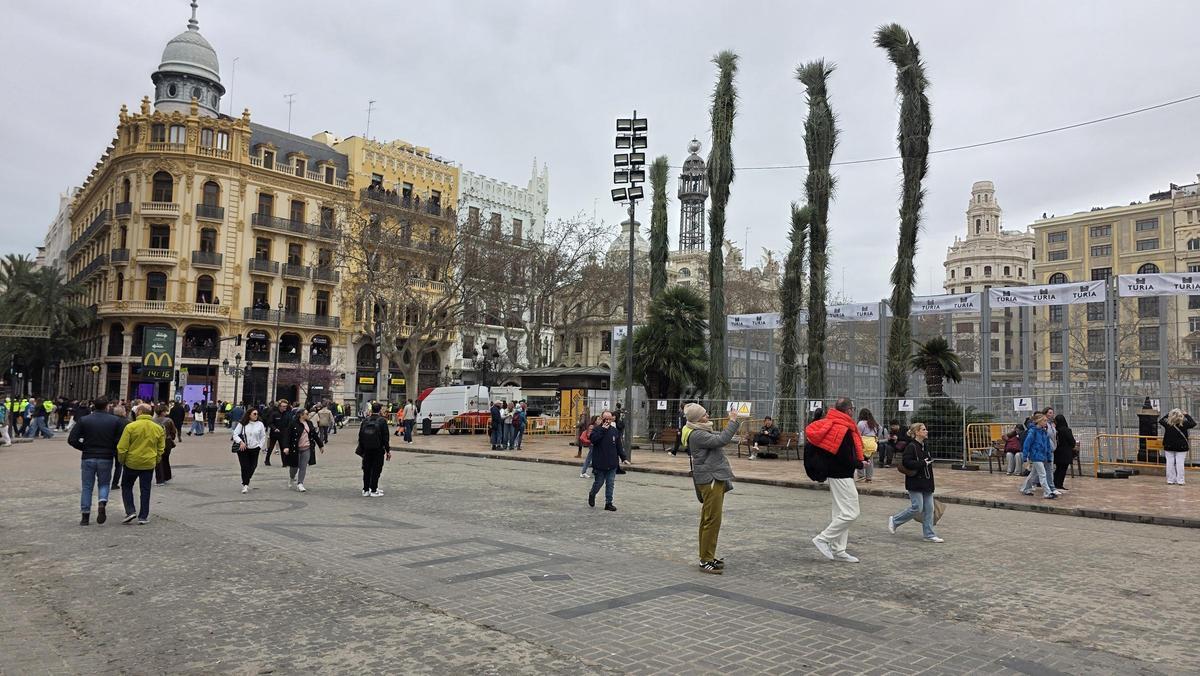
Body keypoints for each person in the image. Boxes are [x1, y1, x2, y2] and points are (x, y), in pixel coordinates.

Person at [682, 402, 746, 574]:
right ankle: (705, 560)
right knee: (712, 519)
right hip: (710, 479)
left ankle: (708, 555)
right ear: (696, 419)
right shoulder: (697, 434)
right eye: (704, 415)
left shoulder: (700, 430)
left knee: (710, 519)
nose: (707, 416)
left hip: (712, 477)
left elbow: (720, 437)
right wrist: (733, 421)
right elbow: (721, 440)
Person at [806, 397, 865, 563]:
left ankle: (839, 549)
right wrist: (860, 463)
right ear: (849, 411)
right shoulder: (843, 428)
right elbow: (844, 456)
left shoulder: (832, 424)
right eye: (852, 408)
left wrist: (858, 460)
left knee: (840, 512)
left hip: (835, 474)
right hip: (842, 475)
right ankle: (823, 538)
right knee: (852, 512)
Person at [68, 398, 127, 526]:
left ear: (93, 406)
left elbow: (72, 439)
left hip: (88, 456)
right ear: (107, 407)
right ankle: (102, 501)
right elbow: (120, 440)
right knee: (104, 483)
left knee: (87, 486)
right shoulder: (115, 421)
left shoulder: (84, 420)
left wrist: (83, 447)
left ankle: (85, 515)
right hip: (106, 456)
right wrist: (112, 449)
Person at [887, 422, 943, 542]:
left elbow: (928, 463)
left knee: (929, 508)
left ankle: (929, 534)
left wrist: (931, 483)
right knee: (917, 507)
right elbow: (907, 462)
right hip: (915, 482)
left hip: (927, 482)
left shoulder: (925, 446)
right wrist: (922, 463)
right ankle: (895, 520)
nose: (926, 431)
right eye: (923, 429)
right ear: (917, 432)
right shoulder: (911, 446)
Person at [116, 404, 165, 525]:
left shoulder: (131, 427)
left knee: (126, 486)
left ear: (140, 412)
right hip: (149, 463)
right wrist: (156, 459)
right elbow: (161, 448)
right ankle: (143, 516)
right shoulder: (158, 428)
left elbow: (122, 447)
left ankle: (130, 510)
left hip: (132, 462)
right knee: (145, 489)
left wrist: (122, 460)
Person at [586, 411, 628, 512]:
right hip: (600, 462)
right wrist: (603, 430)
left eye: (610, 419)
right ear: (602, 418)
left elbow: (619, 446)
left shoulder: (614, 431)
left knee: (610, 483)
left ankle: (608, 503)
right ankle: (592, 494)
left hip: (612, 462)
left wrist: (623, 458)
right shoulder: (597, 429)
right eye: (606, 419)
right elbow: (593, 440)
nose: (608, 421)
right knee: (599, 482)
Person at [283, 407, 323, 492]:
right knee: (294, 467)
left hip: (306, 448)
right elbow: (287, 435)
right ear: (301, 415)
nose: (308, 415)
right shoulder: (293, 423)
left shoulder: (309, 423)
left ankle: (300, 483)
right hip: (295, 448)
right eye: (306, 414)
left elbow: (314, 435)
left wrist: (320, 445)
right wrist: (286, 447)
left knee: (303, 466)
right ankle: (292, 477)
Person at [357, 402, 391, 497]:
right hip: (378, 449)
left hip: (367, 449)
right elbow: (385, 437)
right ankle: (374, 489)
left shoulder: (365, 421)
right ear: (380, 410)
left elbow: (360, 436)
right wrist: (388, 450)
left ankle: (366, 489)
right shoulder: (382, 421)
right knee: (376, 469)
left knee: (366, 469)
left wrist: (362, 448)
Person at [1020, 413, 1056, 499]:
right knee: (1042, 474)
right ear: (1038, 421)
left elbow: (1047, 446)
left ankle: (1025, 489)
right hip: (1036, 456)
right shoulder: (1032, 432)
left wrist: (1048, 457)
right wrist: (1025, 457)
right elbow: (1026, 445)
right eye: (1044, 420)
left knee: (1033, 474)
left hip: (1042, 456)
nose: (1046, 422)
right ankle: (1047, 492)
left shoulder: (1044, 432)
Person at [232, 408, 266, 493]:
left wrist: (260, 446)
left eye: (257, 414)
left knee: (253, 466)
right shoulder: (242, 424)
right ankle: (245, 484)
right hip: (243, 448)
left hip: (255, 448)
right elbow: (235, 434)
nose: (256, 415)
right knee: (245, 466)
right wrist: (240, 442)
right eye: (254, 414)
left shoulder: (260, 424)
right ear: (249, 414)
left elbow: (263, 436)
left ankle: (246, 478)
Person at [1159, 408, 1195, 486]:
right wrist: (1186, 415)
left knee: (1170, 463)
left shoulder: (1168, 423)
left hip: (1169, 446)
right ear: (1181, 415)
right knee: (1180, 463)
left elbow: (1161, 420)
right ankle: (1180, 480)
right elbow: (1193, 423)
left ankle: (1170, 480)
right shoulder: (1184, 423)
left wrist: (1169, 413)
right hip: (1181, 446)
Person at [152, 404, 179, 485]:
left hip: (156, 441)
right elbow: (173, 432)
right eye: (165, 411)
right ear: (163, 412)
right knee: (165, 458)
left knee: (158, 460)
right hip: (167, 442)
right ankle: (167, 476)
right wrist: (172, 438)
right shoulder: (168, 420)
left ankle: (160, 478)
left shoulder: (152, 421)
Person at [1052, 414, 1077, 491]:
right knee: (1063, 469)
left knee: (1058, 468)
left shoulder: (1055, 430)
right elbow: (1072, 442)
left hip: (1057, 452)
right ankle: (1059, 484)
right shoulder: (1067, 430)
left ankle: (1054, 483)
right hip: (1066, 452)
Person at [856, 409, 882, 482]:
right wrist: (877, 437)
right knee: (870, 461)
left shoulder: (861, 423)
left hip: (864, 444)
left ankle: (861, 476)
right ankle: (869, 477)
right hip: (872, 444)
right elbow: (880, 428)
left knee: (860, 458)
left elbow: (858, 434)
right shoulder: (874, 422)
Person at [264, 400, 292, 466]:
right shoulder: (274, 414)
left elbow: (289, 424)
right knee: (271, 447)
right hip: (274, 434)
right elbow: (270, 423)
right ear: (280, 407)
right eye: (283, 406)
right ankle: (267, 460)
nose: (285, 407)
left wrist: (288, 431)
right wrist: (274, 428)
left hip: (283, 434)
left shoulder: (288, 414)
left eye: (286, 406)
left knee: (283, 448)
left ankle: (284, 463)